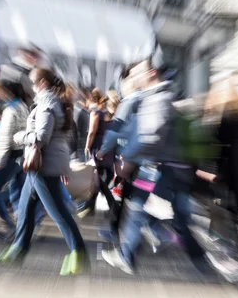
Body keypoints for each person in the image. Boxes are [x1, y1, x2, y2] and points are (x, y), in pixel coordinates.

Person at [101, 48, 206, 275]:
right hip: (160, 168)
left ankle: (199, 258)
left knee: (149, 211)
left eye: (137, 73)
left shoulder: (158, 98)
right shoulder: (153, 97)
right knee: (141, 209)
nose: (133, 78)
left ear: (150, 73)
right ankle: (129, 254)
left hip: (160, 169)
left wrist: (128, 158)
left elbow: (150, 136)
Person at [0, 68, 87, 276]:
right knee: (26, 209)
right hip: (43, 165)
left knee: (58, 213)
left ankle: (78, 253)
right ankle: (18, 248)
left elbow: (42, 137)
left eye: (33, 82)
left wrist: (19, 136)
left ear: (43, 83)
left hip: (43, 166)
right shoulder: (53, 101)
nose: (30, 86)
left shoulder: (46, 103)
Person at [95, 65, 142, 242]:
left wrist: (102, 150)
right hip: (144, 159)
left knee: (119, 194)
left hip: (126, 157)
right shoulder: (146, 101)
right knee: (136, 196)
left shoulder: (128, 103)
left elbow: (115, 132)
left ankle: (114, 231)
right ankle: (145, 230)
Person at [0, 80, 30, 236]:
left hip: (9, 155)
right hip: (21, 154)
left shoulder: (10, 110)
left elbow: (4, 138)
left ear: (6, 92)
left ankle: (9, 224)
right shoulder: (23, 107)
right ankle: (23, 226)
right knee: (17, 192)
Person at [77, 88, 118, 218]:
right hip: (107, 148)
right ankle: (90, 206)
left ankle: (111, 204)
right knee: (98, 178)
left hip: (97, 148)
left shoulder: (95, 113)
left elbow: (92, 132)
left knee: (96, 178)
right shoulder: (107, 114)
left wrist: (87, 146)